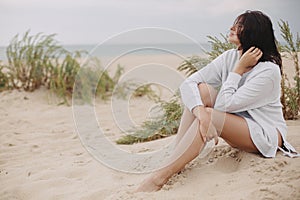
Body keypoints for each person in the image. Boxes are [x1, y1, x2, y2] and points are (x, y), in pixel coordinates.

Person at [136, 10, 299, 192]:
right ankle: (176, 159)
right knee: (202, 91)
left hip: (265, 134)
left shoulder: (268, 71)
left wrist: (238, 70)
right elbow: (188, 84)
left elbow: (223, 106)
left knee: (212, 115)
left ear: (253, 33)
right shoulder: (230, 57)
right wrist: (200, 112)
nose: (231, 28)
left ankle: (158, 178)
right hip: (238, 124)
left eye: (239, 26)